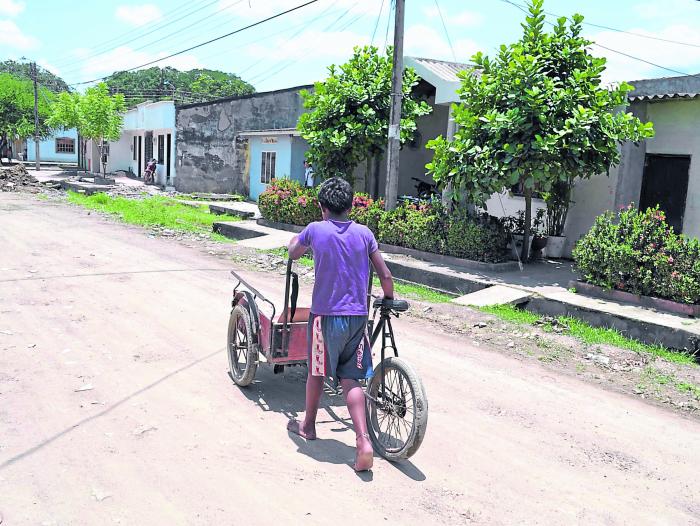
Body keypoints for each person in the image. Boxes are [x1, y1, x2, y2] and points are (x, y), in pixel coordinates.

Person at [286, 177, 395, 472]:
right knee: (351, 380)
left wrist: (293, 241)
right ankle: (363, 441)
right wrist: (389, 298)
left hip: (325, 317)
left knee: (317, 371)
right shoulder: (364, 233)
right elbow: (384, 274)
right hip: (357, 317)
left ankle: (308, 425)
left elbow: (294, 252)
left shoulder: (315, 230)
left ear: (322, 207)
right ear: (351, 206)